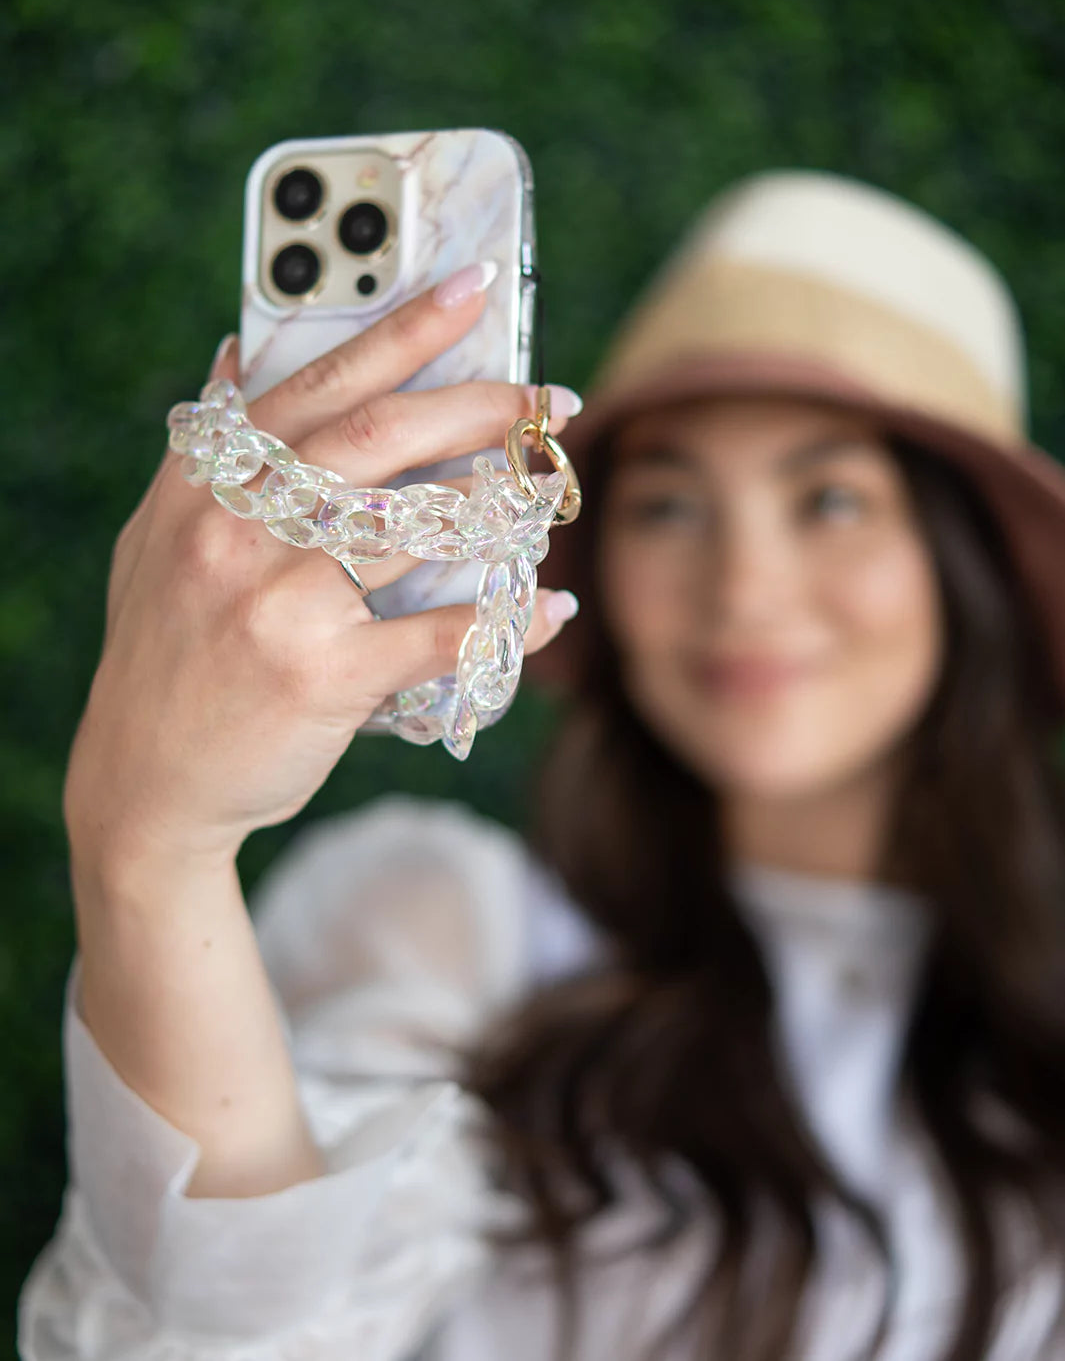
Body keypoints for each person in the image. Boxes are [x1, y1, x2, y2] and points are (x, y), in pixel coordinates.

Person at [18, 171, 1065, 1361]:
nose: (745, 591)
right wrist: (152, 851)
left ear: (962, 567)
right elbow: (226, 1335)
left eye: (829, 498)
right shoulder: (446, 928)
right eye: (669, 507)